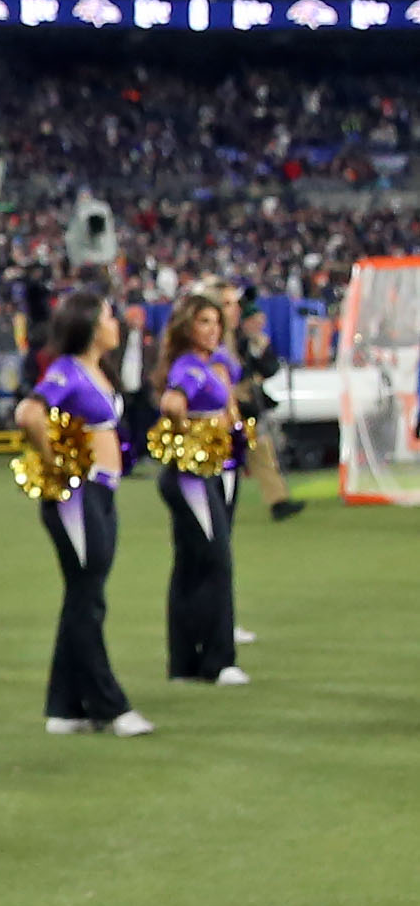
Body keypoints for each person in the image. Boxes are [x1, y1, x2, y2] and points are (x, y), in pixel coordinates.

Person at [16, 289, 148, 737]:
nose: (116, 323)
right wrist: (54, 462)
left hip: (102, 493)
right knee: (88, 599)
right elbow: (28, 413)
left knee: (84, 597)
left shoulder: (97, 369)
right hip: (77, 497)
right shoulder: (66, 370)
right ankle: (110, 705)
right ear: (90, 325)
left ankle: (65, 706)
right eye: (110, 315)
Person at [152, 290, 250, 689]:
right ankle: (219, 661)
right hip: (193, 474)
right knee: (217, 562)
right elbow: (172, 404)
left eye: (216, 322)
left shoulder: (208, 363)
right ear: (187, 327)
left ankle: (183, 663)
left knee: (191, 565)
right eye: (204, 322)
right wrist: (190, 436)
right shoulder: (189, 367)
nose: (213, 329)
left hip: (209, 472)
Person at [217, 282, 300, 526]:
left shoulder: (251, 342)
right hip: (232, 404)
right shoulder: (230, 341)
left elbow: (270, 368)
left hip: (246, 406)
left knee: (261, 451)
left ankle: (278, 500)